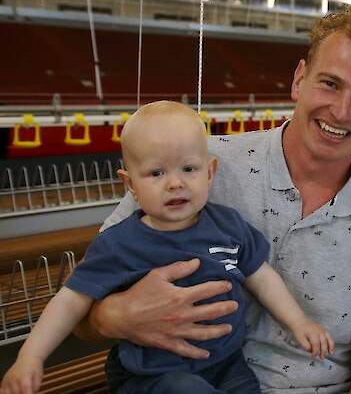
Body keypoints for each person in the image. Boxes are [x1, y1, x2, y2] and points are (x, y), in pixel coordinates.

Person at [79, 7, 351, 394]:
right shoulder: (199, 169)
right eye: (329, 83)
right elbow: (83, 308)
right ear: (299, 79)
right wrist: (117, 315)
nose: (341, 111)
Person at [2, 101, 333, 394]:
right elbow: (71, 299)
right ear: (130, 184)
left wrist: (298, 322)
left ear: (210, 173)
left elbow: (261, 276)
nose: (175, 182)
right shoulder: (120, 243)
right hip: (153, 374)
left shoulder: (228, 226)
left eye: (188, 169)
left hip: (227, 364)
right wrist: (31, 356)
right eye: (156, 172)